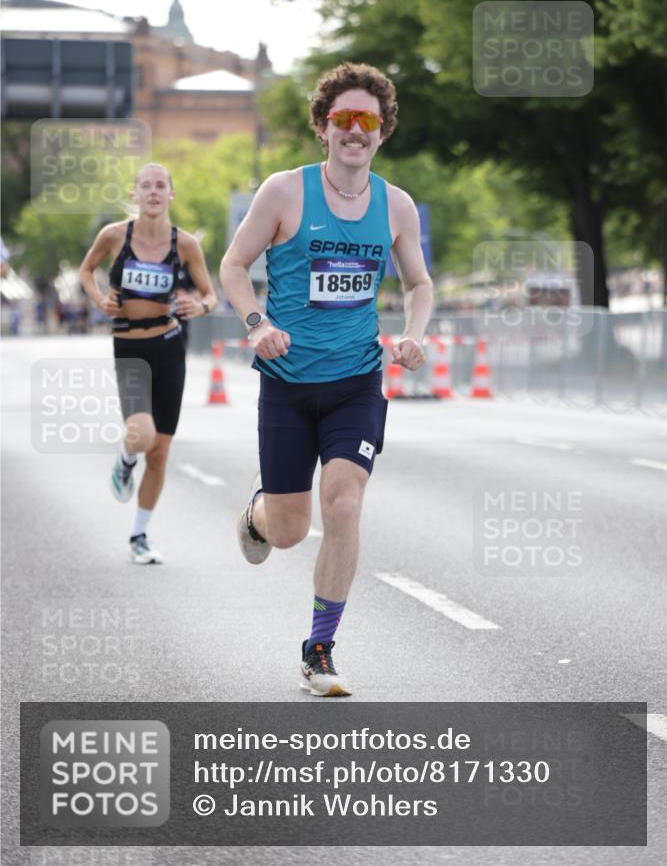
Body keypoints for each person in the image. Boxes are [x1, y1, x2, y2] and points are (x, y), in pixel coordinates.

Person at [220, 62, 433, 695]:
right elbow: (234, 266)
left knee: (343, 504)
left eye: (369, 119)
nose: (356, 130)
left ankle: (319, 649)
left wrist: (414, 332)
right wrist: (257, 323)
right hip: (287, 383)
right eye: (345, 118)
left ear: (383, 130)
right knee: (288, 531)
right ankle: (257, 514)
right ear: (323, 127)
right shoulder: (285, 192)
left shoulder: (395, 205)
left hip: (356, 382)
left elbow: (418, 283)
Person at [79, 162, 217, 564]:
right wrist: (99, 298)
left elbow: (210, 295)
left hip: (169, 347)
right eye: (146, 186)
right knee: (140, 435)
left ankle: (139, 535)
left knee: (159, 451)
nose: (153, 192)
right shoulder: (114, 235)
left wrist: (199, 306)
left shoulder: (185, 244)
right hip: (129, 347)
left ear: (171, 194)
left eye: (160, 186)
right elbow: (86, 270)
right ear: (134, 194)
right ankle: (125, 462)